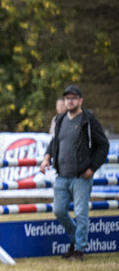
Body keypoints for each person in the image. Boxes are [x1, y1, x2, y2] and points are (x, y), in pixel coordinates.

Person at [39, 85, 110, 260]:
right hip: (62, 175)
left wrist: (92, 168)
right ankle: (75, 240)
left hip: (81, 177)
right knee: (59, 211)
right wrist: (47, 157)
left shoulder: (88, 119)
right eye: (67, 98)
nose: (69, 101)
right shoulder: (61, 119)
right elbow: (55, 141)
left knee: (80, 213)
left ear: (80, 100)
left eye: (73, 98)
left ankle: (78, 250)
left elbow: (103, 145)